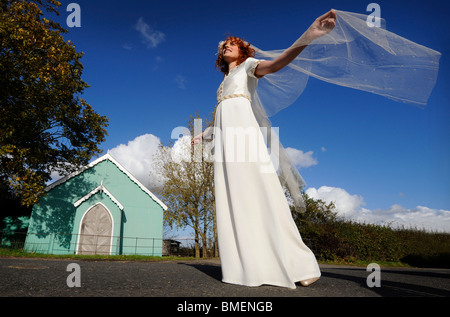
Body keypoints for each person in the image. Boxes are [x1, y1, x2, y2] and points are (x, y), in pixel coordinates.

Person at [192, 9, 337, 289]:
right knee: (238, 199)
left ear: (243, 51)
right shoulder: (223, 84)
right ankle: (251, 265)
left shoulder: (250, 67)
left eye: (231, 44)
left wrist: (309, 36)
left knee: (262, 193)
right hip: (226, 147)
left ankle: (303, 264)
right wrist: (205, 134)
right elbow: (223, 114)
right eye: (223, 46)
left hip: (245, 142)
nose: (226, 47)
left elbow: (277, 64)